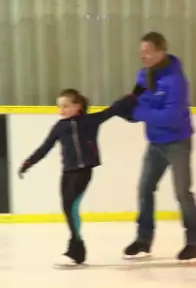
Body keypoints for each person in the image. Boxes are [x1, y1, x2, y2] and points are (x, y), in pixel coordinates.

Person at [18, 87, 144, 267]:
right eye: (59, 107)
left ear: (77, 106)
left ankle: (75, 250)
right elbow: (45, 147)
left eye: (65, 106)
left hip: (83, 170)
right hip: (67, 171)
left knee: (72, 205)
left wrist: (135, 95)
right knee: (67, 207)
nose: (61, 110)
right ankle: (77, 249)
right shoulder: (59, 127)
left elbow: (114, 109)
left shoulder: (90, 121)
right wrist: (28, 163)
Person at [122, 31, 196, 263]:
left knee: (182, 192)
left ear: (161, 52)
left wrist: (139, 113)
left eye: (148, 52)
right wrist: (127, 110)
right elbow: (134, 100)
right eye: (141, 52)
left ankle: (194, 242)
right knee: (145, 188)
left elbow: (171, 116)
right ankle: (143, 239)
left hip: (177, 142)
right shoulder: (143, 75)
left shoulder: (176, 81)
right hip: (155, 143)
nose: (143, 56)